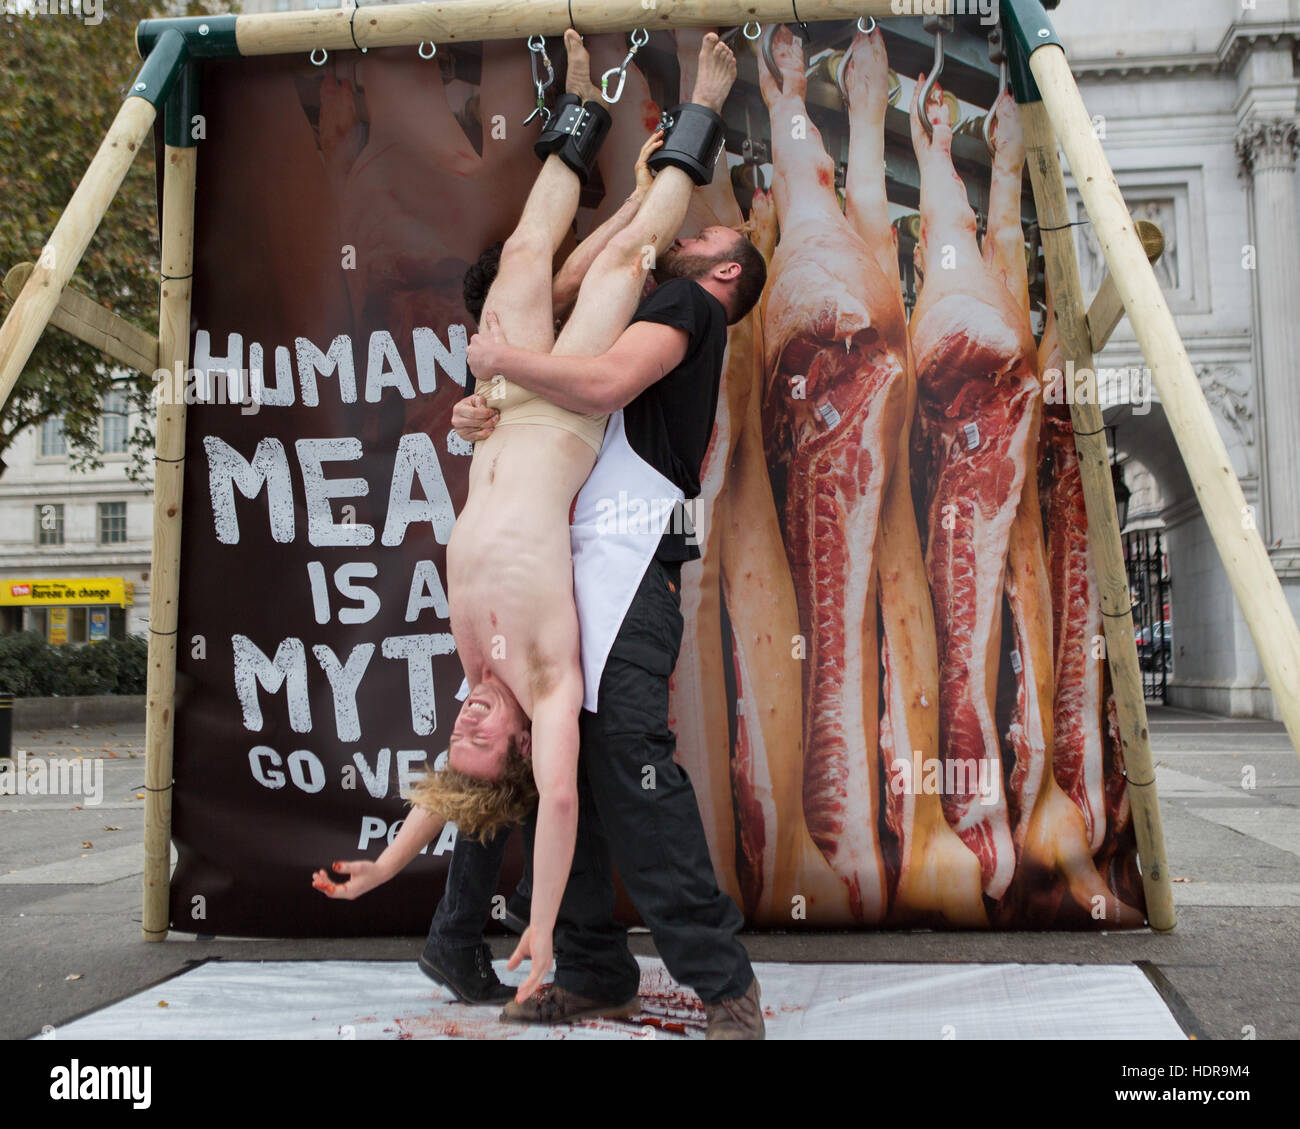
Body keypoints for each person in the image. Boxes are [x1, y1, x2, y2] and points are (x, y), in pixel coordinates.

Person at [458, 39, 769, 1039]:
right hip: (563, 554)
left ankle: (723, 985)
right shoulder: (638, 287)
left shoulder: (687, 304)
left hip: (629, 560)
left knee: (628, 751)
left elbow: (594, 384)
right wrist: (481, 404)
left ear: (725, 277)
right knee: (572, 763)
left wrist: (704, 107)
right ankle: (593, 969)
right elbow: (568, 275)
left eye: (710, 236)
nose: (699, 231)